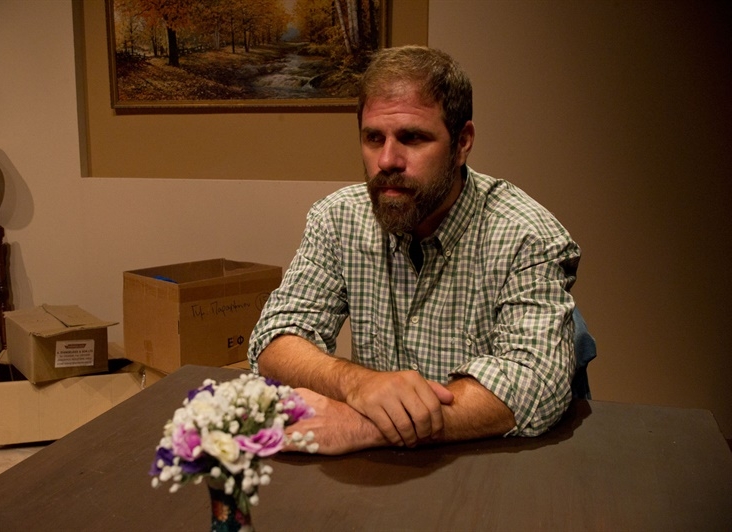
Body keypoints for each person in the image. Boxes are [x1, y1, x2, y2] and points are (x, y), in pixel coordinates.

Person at [247, 45, 581, 455]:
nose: (387, 160)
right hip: (377, 473)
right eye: (373, 138)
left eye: (413, 137)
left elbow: (536, 382)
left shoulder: (526, 235)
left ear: (462, 143)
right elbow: (275, 338)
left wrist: (365, 425)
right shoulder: (338, 218)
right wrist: (356, 382)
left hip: (480, 468)